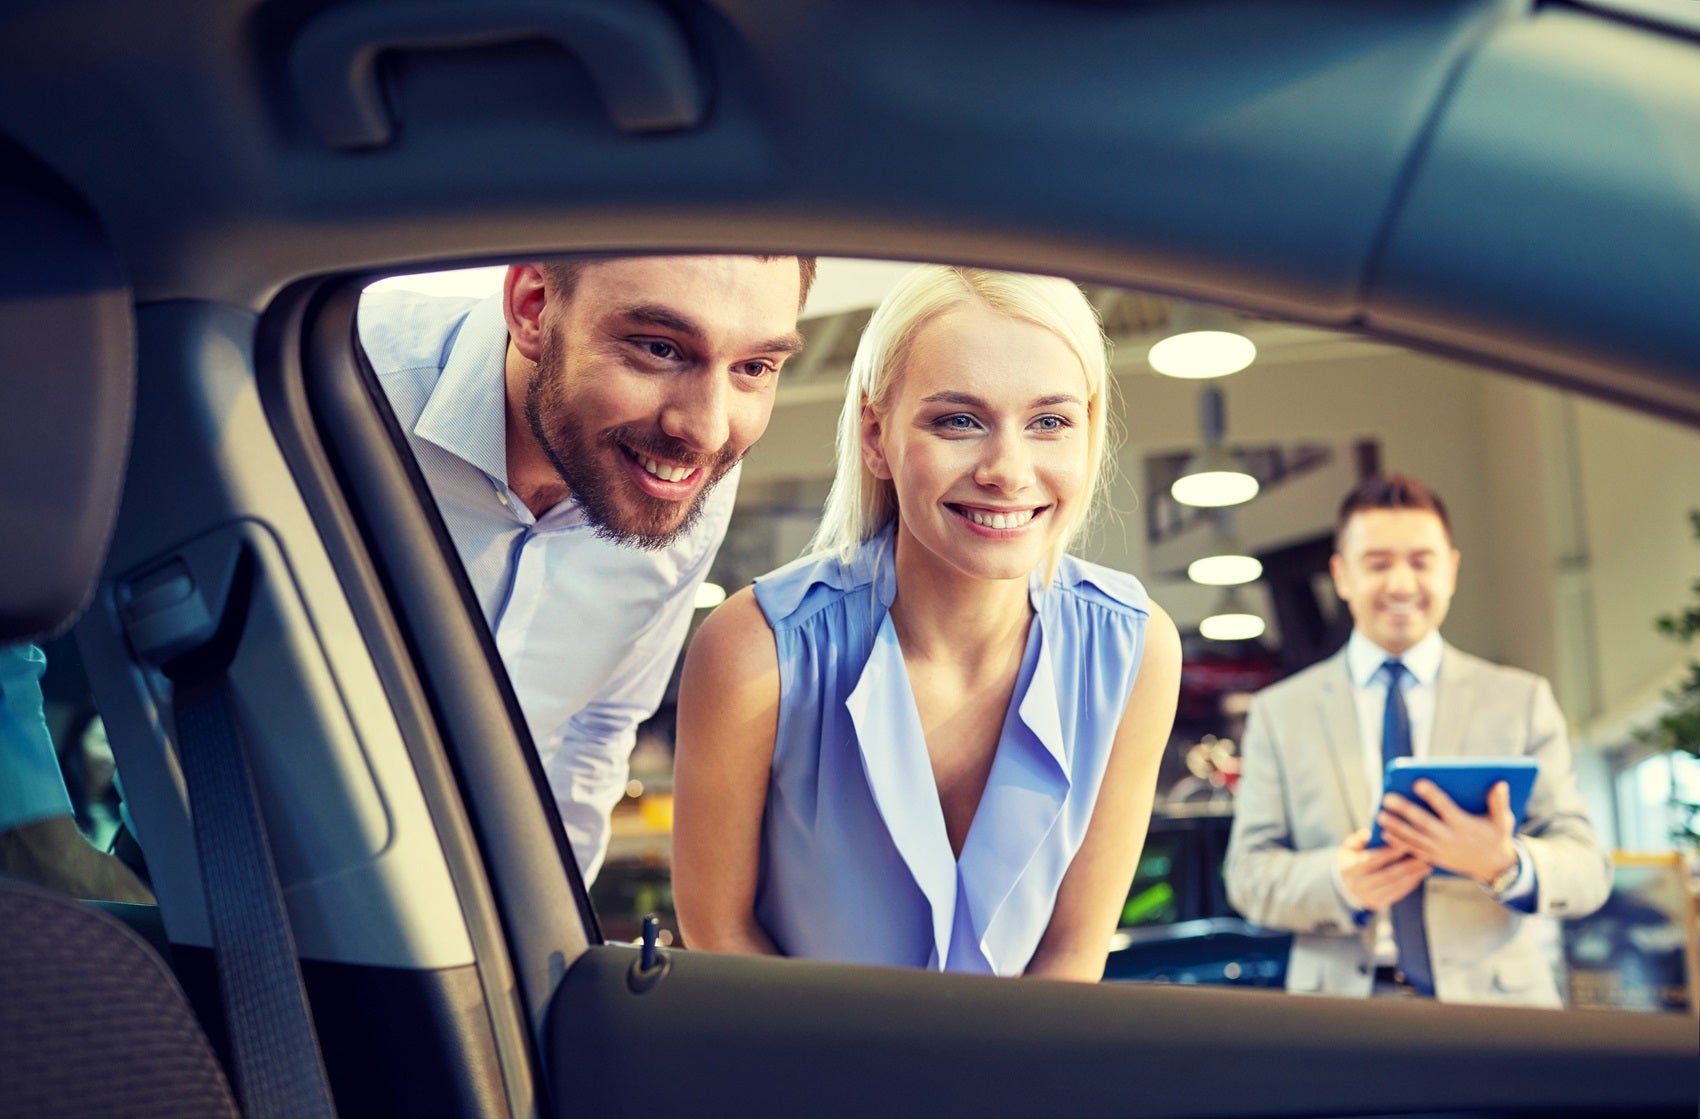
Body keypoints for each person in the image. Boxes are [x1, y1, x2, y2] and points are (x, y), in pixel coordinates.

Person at [671, 266, 1181, 980]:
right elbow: (717, 931)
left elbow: (1073, 951)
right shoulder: (756, 650)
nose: (1008, 469)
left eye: (1049, 422)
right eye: (958, 420)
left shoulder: (1136, 650)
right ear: (876, 436)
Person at [358, 255, 815, 882]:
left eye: (755, 368)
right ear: (533, 307)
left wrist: (549, 931)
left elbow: (595, 728)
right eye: (660, 348)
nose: (707, 431)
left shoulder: (681, 481)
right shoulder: (337, 388)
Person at [1224, 474, 1611, 1006]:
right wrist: (1337, 880)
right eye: (1378, 563)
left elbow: (1589, 869)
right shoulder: (1279, 713)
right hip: (1339, 1016)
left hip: (1497, 1013)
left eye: (1421, 561)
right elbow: (1246, 877)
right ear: (1341, 575)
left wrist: (1503, 862)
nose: (1402, 584)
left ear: (1451, 569)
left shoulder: (1521, 700)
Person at [0, 642, 153, 902]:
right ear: (79, 742)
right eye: (105, 743)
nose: (112, 758)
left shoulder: (121, 817)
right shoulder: (65, 807)